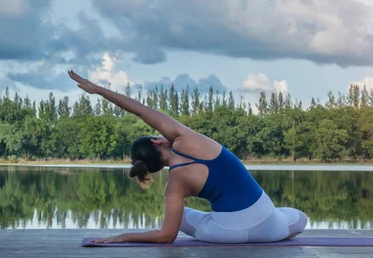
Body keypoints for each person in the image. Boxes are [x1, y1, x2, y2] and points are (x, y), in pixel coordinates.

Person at [68, 70, 308, 244]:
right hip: (271, 229)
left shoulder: (174, 185)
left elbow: (166, 236)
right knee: (299, 217)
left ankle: (227, 223)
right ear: (157, 141)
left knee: (180, 217)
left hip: (224, 236)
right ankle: (267, 225)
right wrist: (98, 90)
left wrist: (123, 237)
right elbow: (139, 109)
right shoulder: (187, 139)